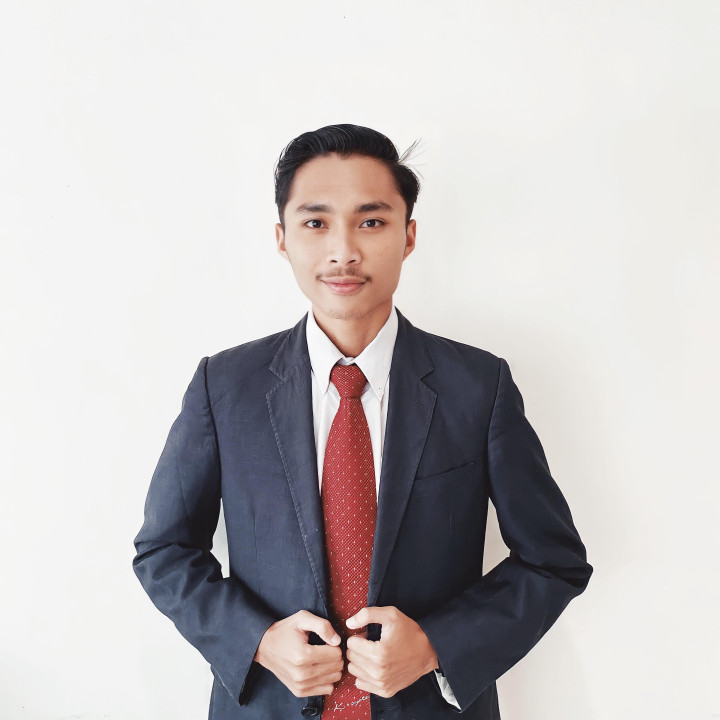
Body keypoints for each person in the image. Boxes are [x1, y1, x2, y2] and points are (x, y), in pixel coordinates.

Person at [132, 124, 592, 720]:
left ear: (408, 235)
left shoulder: (478, 387)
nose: (343, 250)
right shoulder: (225, 387)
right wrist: (258, 641)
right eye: (316, 223)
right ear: (282, 238)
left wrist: (436, 646)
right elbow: (164, 549)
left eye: (371, 221)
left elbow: (553, 560)